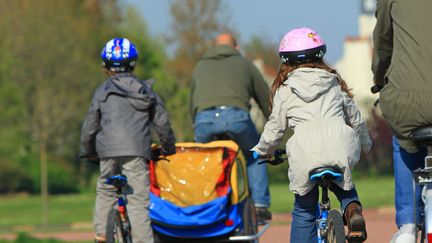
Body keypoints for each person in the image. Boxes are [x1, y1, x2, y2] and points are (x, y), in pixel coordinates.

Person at [251, 27, 372, 242]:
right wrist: (365, 143)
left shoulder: (285, 90)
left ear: (285, 60)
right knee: (346, 190)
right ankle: (353, 213)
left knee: (304, 209)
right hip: (339, 144)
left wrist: (261, 151)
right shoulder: (334, 82)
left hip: (305, 151)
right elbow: (356, 119)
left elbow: (275, 128)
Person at [80, 37, 176, 243]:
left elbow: (90, 125)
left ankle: (102, 235)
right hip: (136, 152)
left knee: (106, 191)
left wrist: (88, 151)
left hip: (107, 151)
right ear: (133, 63)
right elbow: (162, 122)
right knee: (137, 202)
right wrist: (168, 148)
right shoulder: (146, 90)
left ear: (105, 66)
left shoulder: (102, 91)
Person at [189, 33, 272, 222]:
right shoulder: (244, 64)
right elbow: (264, 97)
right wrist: (275, 125)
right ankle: (260, 205)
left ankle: (202, 202)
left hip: (204, 120)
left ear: (214, 46)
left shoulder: (200, 65)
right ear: (236, 48)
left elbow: (192, 103)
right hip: (237, 118)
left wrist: (197, 124)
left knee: (203, 160)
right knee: (254, 154)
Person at [371, 0, 432, 242]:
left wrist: (378, 79)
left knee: (403, 139)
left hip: (407, 101)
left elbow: (383, 44)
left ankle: (407, 224)